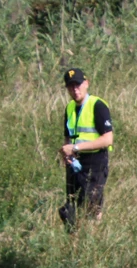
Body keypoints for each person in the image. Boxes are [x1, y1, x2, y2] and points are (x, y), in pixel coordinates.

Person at [58, 68, 113, 229]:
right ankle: (75, 244)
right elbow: (68, 136)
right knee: (71, 208)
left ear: (86, 84)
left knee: (91, 205)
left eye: (78, 85)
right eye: (70, 87)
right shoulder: (69, 108)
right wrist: (66, 152)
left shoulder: (97, 105)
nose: (75, 90)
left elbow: (108, 139)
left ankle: (94, 241)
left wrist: (76, 147)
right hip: (74, 162)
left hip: (95, 161)